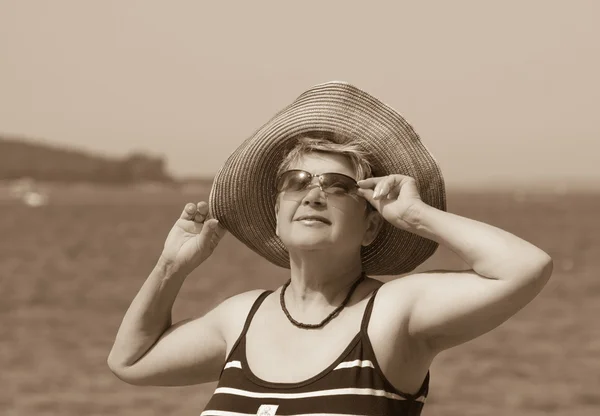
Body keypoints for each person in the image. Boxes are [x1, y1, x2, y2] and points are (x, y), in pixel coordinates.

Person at [107, 82, 553, 416]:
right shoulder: (239, 317)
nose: (313, 195)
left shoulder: (393, 312)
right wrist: (172, 266)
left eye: (338, 186)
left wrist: (417, 215)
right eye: (296, 183)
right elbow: (130, 360)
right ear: (277, 217)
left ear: (370, 226)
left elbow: (525, 267)